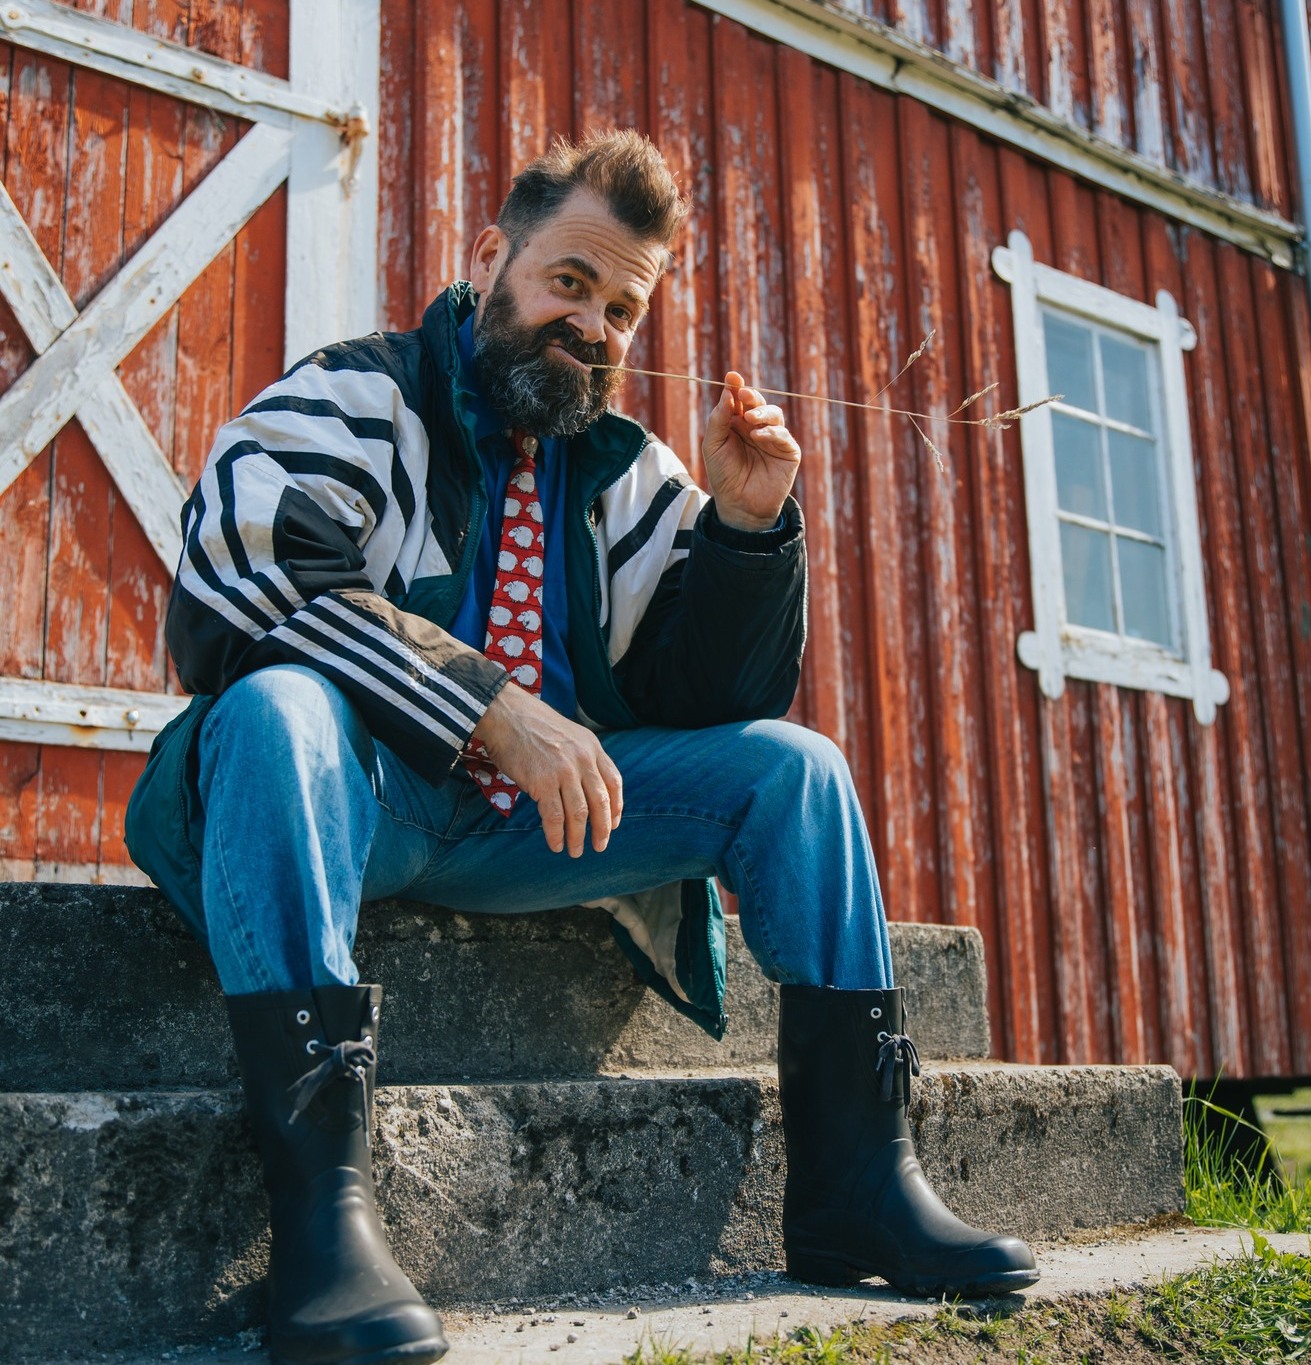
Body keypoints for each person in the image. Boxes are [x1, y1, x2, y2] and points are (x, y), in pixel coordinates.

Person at [126, 128, 1037, 1365]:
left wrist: (745, 531)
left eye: (621, 308)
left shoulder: (627, 473)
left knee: (799, 769)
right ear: (489, 259)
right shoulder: (351, 395)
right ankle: (323, 1225)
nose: (594, 325)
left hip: (537, 831)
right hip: (363, 801)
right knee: (277, 707)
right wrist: (492, 705)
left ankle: (858, 1187)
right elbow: (247, 583)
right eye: (570, 282)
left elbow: (713, 698)